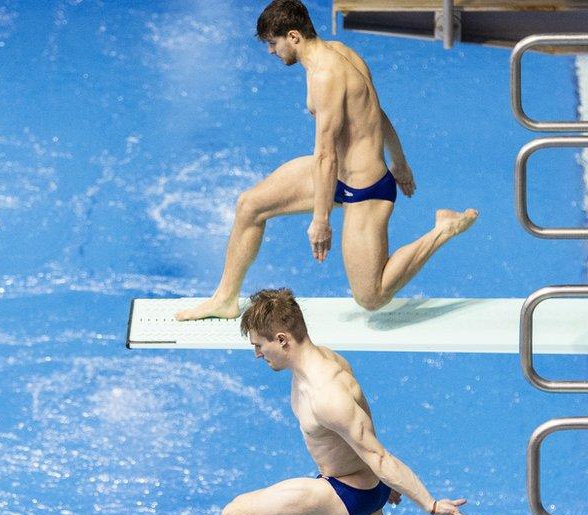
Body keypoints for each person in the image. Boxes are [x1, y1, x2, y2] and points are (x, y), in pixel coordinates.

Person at [176, 0, 477, 321]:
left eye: (272, 43)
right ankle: (225, 299)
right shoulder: (341, 51)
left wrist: (321, 220)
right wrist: (400, 160)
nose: (270, 51)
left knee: (371, 296)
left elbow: (325, 155)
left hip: (366, 189)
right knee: (250, 205)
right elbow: (376, 112)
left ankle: (443, 229)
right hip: (339, 174)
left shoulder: (324, 76)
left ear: (293, 36)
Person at [198, 288, 529, 515]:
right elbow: (361, 434)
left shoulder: (326, 394)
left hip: (345, 491)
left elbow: (378, 454)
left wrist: (429, 503)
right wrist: (382, 480)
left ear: (282, 339)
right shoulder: (325, 360)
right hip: (363, 483)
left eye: (259, 345)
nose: (257, 354)